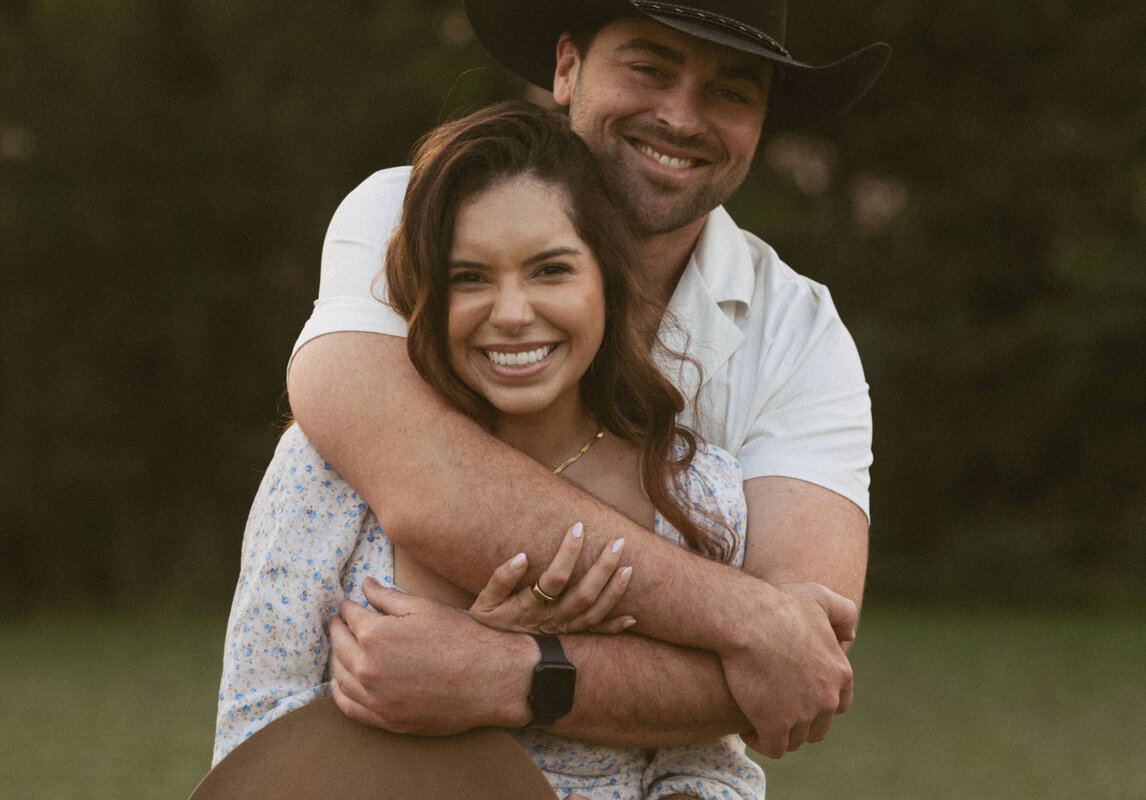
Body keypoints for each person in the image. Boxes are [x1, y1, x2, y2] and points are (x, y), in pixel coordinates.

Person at [290, 0, 889, 761]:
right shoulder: (408, 213)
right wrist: (747, 619)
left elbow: (802, 671)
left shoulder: (802, 337)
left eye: (731, 90)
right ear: (567, 67)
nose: (681, 116)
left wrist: (514, 675)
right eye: (649, 68)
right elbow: (428, 485)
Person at [215, 102, 765, 799]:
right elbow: (250, 743)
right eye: (470, 277)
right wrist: (440, 688)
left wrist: (509, 665)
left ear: (608, 279)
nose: (511, 313)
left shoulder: (694, 493)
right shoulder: (326, 471)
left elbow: (709, 766)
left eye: (550, 271)